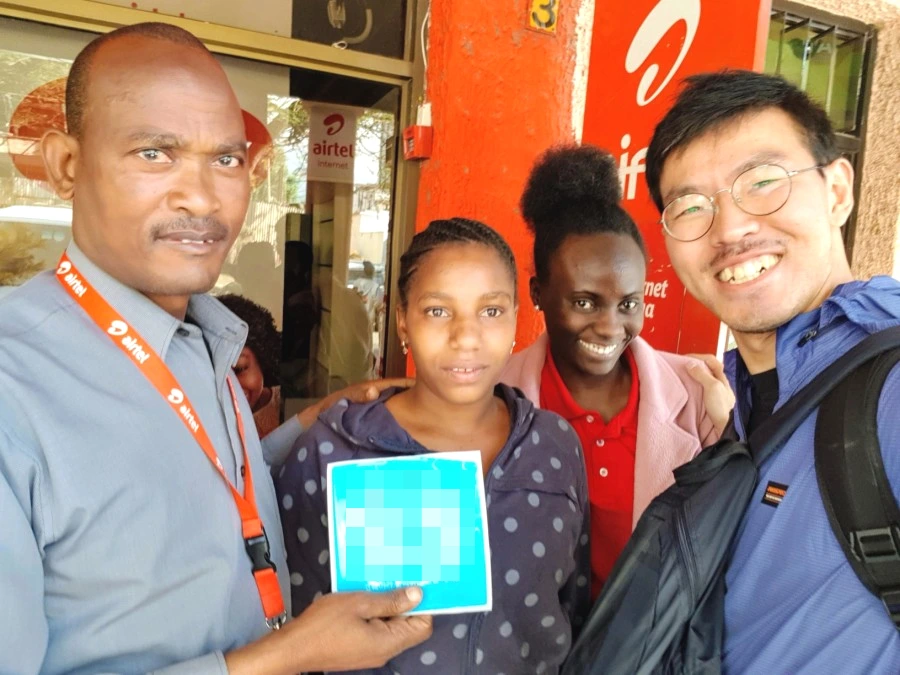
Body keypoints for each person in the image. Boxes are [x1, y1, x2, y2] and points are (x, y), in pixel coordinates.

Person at [0, 22, 430, 675]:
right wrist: (288, 654)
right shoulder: (14, 385)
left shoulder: (207, 338)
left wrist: (317, 418)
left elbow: (201, 474)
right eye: (154, 153)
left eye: (226, 160)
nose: (202, 197)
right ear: (66, 166)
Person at [645, 70, 900, 672]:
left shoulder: (889, 386)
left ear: (837, 191)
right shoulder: (747, 395)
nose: (730, 230)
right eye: (692, 207)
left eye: (763, 182)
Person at [275, 218, 591, 674]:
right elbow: (292, 625)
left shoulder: (554, 446)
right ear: (402, 321)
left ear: (517, 318)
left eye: (491, 310)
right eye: (438, 311)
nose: (466, 337)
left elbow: (573, 605)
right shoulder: (331, 450)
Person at [501, 144, 734, 598]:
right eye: (584, 302)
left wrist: (730, 431)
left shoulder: (700, 398)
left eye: (628, 304)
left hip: (654, 640)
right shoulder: (495, 396)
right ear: (537, 293)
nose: (610, 327)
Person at [218, 294, 283, 438]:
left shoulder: (287, 404)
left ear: (262, 360)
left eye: (239, 369)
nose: (231, 386)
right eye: (214, 375)